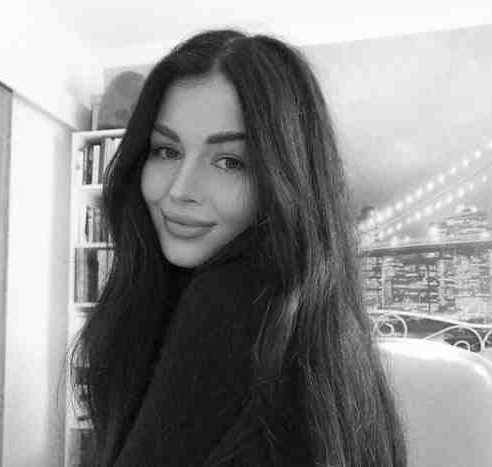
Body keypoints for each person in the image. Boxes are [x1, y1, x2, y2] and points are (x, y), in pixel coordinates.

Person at [67, 29, 407, 467]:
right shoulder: (311, 313)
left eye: (229, 162)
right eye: (166, 151)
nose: (180, 190)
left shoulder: (237, 300)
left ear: (285, 178)